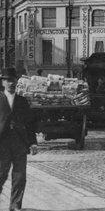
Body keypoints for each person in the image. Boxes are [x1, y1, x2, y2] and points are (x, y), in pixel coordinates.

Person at [0, 67, 38, 211]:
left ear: (17, 82)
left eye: (13, 80)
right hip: (2, 143)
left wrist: (33, 142)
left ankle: (15, 205)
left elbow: (30, 123)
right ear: (3, 82)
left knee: (20, 177)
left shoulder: (22, 101)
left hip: (19, 143)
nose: (11, 83)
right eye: (7, 80)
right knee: (1, 174)